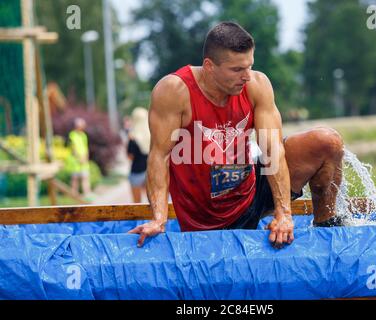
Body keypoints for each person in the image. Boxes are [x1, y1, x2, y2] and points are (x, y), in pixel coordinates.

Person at [128, 22, 344, 248]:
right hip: (204, 217)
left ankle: (327, 233)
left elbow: (272, 150)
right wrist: (159, 219)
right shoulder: (174, 91)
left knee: (327, 142)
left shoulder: (257, 85)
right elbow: (159, 157)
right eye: (237, 70)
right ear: (209, 66)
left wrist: (284, 214)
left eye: (249, 66)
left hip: (251, 195)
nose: (247, 76)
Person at [127, 107, 150, 203]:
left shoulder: (132, 137)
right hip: (150, 172)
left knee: (137, 204)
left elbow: (130, 156)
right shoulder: (153, 135)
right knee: (152, 203)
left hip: (136, 171)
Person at [67, 117, 91, 199]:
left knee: (85, 177)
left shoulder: (84, 135)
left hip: (84, 160)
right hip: (75, 161)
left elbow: (86, 147)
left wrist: (86, 157)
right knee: (75, 178)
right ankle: (73, 195)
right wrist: (79, 158)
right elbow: (73, 148)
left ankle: (87, 194)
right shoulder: (72, 135)